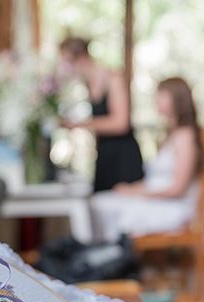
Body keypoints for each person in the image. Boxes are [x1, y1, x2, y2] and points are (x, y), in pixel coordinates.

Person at [90, 77, 204, 242]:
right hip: (158, 201)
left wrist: (134, 192)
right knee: (101, 202)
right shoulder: (169, 135)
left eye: (161, 96)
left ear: (177, 99)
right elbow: (157, 180)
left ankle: (114, 258)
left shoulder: (185, 136)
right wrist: (130, 189)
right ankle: (111, 256)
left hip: (172, 207)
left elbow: (177, 189)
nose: (155, 100)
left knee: (104, 207)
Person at [59, 37, 143, 192]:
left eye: (67, 62)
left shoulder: (113, 78)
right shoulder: (87, 83)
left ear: (82, 57)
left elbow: (120, 123)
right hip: (104, 153)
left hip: (122, 156)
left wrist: (79, 124)